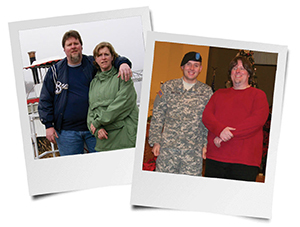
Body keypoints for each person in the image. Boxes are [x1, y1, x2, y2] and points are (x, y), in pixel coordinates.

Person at [38, 30, 132, 156]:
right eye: (69, 44)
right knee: (73, 169)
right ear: (64, 49)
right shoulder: (54, 72)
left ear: (81, 46)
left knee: (102, 165)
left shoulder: (92, 63)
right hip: (66, 132)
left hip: (96, 128)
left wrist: (123, 63)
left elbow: (109, 58)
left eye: (76, 43)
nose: (73, 47)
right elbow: (45, 99)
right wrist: (48, 125)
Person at [202, 56, 269, 181]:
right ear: (230, 74)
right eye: (234, 68)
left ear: (249, 74)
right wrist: (220, 130)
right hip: (215, 158)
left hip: (244, 161)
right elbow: (207, 116)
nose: (237, 71)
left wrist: (225, 134)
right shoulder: (218, 94)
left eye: (242, 68)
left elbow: (256, 121)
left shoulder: (258, 95)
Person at [148, 51, 213, 176]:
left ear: (201, 69)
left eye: (196, 65)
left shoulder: (206, 92)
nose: (192, 68)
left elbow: (208, 121)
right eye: (188, 64)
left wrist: (205, 145)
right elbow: (157, 116)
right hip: (168, 150)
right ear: (182, 67)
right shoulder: (168, 87)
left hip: (193, 153)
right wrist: (156, 141)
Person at [87, 42, 139, 151]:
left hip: (124, 138)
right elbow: (91, 110)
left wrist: (98, 122)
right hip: (104, 141)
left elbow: (123, 103)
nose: (103, 58)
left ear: (112, 57)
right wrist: (96, 129)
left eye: (106, 54)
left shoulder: (122, 75)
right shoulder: (94, 83)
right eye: (99, 55)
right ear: (95, 60)